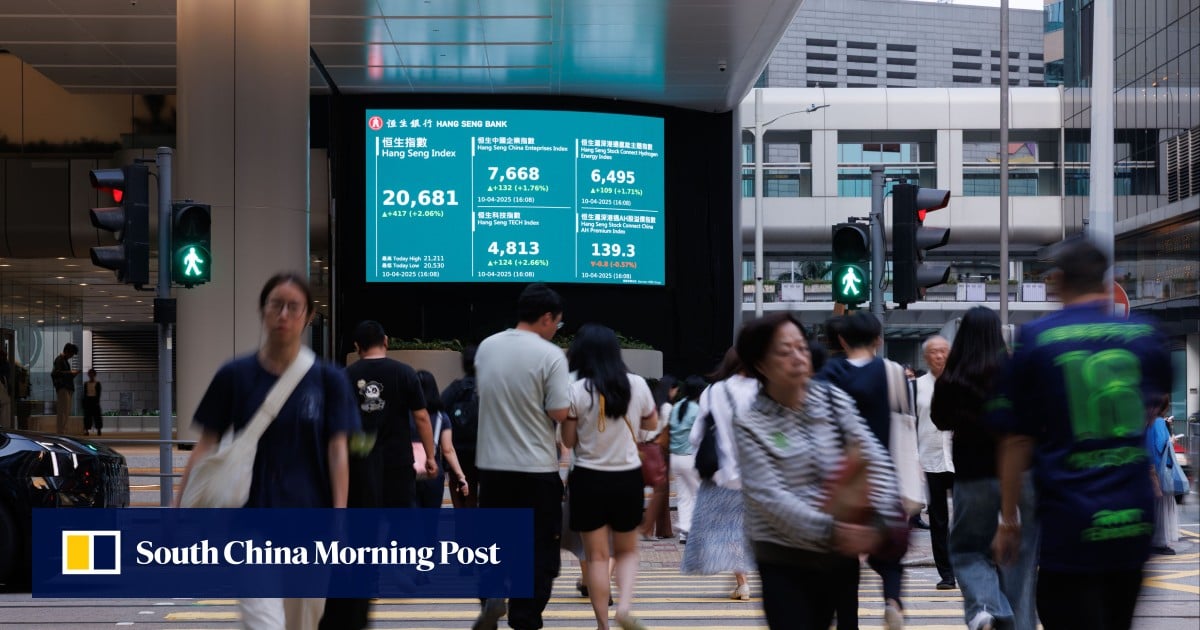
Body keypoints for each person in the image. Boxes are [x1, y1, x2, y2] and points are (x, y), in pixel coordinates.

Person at [989, 240, 1172, 630]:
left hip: (1072, 519)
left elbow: (1016, 439)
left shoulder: (1036, 338)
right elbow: (1153, 409)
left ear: (1057, 281)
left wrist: (1008, 519)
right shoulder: (1144, 334)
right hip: (1134, 518)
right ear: (1108, 282)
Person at [177, 272, 360, 630]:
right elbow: (205, 447)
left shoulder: (328, 379)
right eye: (276, 305)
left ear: (308, 317)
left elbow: (338, 452)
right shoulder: (235, 375)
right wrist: (179, 510)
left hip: (312, 525)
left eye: (294, 307)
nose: (284, 315)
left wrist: (340, 517)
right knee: (264, 623)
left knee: (302, 623)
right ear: (262, 311)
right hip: (250, 525)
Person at [733, 313, 904, 629]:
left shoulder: (833, 400)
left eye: (801, 347)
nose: (799, 358)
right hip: (783, 559)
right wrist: (836, 531)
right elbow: (770, 498)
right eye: (784, 352)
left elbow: (874, 456)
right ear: (760, 364)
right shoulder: (751, 423)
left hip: (838, 558)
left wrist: (880, 519)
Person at [472, 283, 571, 630]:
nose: (556, 330)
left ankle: (491, 595)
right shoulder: (550, 355)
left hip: (493, 468)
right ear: (546, 318)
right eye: (557, 324)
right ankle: (525, 617)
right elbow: (559, 411)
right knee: (538, 550)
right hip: (535, 469)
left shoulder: (487, 346)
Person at [931, 307, 1036, 630]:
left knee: (968, 551)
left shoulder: (953, 376)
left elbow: (939, 419)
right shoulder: (1014, 372)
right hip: (1021, 479)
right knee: (1018, 563)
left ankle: (985, 607)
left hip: (973, 477)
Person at [561, 324, 658, 630]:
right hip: (627, 478)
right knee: (627, 551)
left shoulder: (576, 389)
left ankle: (603, 625)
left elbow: (568, 440)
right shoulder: (638, 385)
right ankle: (625, 608)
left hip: (588, 479)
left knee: (598, 557)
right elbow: (651, 426)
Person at [819, 311, 906, 629]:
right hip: (882, 475)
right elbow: (905, 427)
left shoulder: (827, 374)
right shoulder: (892, 372)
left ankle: (847, 624)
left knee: (842, 562)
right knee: (891, 548)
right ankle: (892, 599)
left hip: (840, 482)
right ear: (879, 339)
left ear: (841, 340)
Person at [681, 348, 756, 601]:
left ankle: (742, 582)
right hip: (757, 475)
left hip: (722, 474)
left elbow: (695, 436)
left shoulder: (713, 392)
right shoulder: (767, 390)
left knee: (730, 529)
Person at [345, 320, 435, 510]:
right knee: (400, 523)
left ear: (357, 346)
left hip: (360, 460)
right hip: (398, 460)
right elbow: (422, 417)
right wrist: (430, 457)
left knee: (363, 523)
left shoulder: (346, 376)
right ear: (385, 341)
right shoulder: (404, 373)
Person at [915, 336, 954, 589]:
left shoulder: (961, 381)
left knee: (967, 517)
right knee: (938, 520)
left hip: (961, 457)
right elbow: (910, 423)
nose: (939, 356)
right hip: (929, 459)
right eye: (933, 352)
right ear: (925, 357)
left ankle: (969, 565)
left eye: (943, 351)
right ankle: (947, 574)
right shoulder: (916, 387)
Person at [412, 369, 470, 508]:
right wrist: (461, 476)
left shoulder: (402, 414)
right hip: (432, 474)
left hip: (407, 474)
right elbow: (448, 450)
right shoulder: (440, 417)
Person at [442, 345, 481, 508]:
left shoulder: (455, 388)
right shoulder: (487, 387)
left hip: (457, 449)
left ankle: (463, 521)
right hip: (483, 449)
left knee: (459, 482)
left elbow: (440, 409)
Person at [668, 375, 705, 544]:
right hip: (690, 458)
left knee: (683, 496)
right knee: (698, 494)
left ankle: (685, 531)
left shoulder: (676, 407)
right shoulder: (697, 410)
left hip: (675, 458)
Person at [640, 375, 677, 539]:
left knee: (658, 490)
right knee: (660, 490)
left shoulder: (651, 405)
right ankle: (649, 529)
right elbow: (667, 430)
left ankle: (663, 530)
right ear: (671, 389)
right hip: (658, 449)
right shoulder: (667, 407)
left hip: (642, 447)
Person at [1146, 396, 1179, 555]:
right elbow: (1161, 445)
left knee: (1155, 506)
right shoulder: (1159, 422)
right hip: (1161, 468)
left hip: (1151, 468)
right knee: (1163, 507)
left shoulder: (1149, 421)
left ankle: (1153, 540)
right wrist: (1171, 439)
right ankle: (1160, 541)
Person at [52, 342, 80, 434]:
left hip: (66, 387)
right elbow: (57, 373)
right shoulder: (59, 360)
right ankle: (61, 431)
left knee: (65, 411)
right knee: (64, 411)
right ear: (67, 351)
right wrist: (70, 373)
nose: (71, 356)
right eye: (71, 354)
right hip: (63, 387)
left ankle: (62, 430)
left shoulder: (63, 360)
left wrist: (71, 374)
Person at [82, 369, 103, 436]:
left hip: (95, 400)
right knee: (87, 416)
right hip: (88, 400)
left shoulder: (97, 383)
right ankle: (87, 430)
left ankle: (98, 429)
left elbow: (98, 393)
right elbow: (85, 393)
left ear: (94, 375)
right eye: (89, 374)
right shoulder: (86, 384)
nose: (90, 375)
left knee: (97, 416)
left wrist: (97, 401)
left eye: (92, 374)